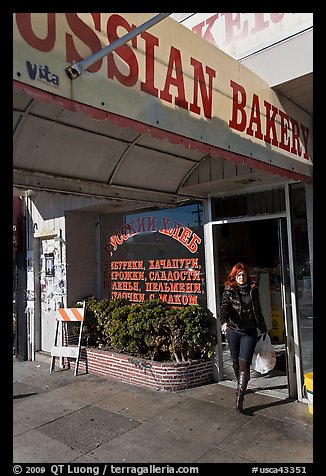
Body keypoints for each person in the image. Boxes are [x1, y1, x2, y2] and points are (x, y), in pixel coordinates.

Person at [220, 262, 268, 412]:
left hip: (249, 332)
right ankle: (240, 385)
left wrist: (264, 329)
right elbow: (224, 308)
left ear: (247, 276)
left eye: (244, 275)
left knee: (244, 363)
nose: (241, 277)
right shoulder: (229, 290)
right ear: (234, 276)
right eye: (239, 275)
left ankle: (240, 396)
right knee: (235, 362)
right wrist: (224, 322)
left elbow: (258, 311)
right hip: (233, 331)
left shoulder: (253, 290)